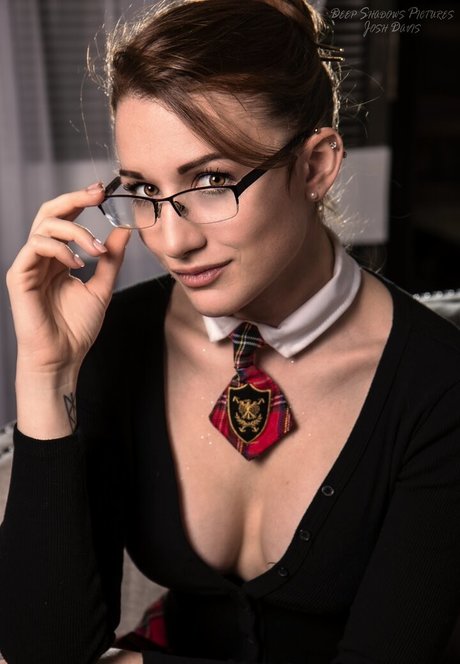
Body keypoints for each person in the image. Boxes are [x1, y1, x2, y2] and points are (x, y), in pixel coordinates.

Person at [1, 0, 460, 662]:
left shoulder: (439, 385)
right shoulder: (118, 341)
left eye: (212, 180)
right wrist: (47, 376)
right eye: (145, 191)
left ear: (315, 166)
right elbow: (43, 650)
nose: (173, 241)